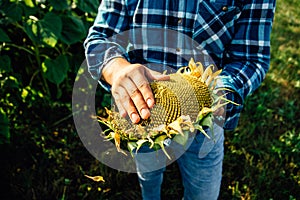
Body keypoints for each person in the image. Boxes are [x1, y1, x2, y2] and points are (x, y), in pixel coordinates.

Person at [84, 0, 276, 199]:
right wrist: (117, 69)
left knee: (203, 192)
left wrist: (220, 90)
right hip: (144, 114)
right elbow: (100, 38)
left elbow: (250, 58)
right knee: (148, 172)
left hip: (204, 116)